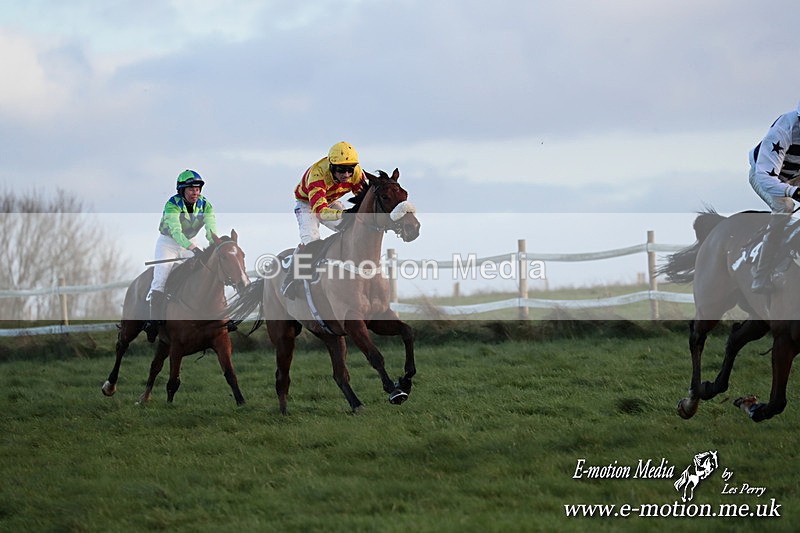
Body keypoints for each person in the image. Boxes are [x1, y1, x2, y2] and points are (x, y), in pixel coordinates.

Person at [280, 141, 366, 298]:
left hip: (331, 200)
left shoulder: (357, 173)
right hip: (308, 204)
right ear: (332, 166)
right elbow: (319, 211)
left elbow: (363, 199)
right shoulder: (318, 174)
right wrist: (343, 214)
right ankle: (290, 279)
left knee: (351, 227)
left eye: (350, 169)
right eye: (341, 170)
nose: (347, 174)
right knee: (312, 240)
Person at [144, 169, 218, 341]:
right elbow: (176, 232)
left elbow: (211, 229)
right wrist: (192, 247)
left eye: (198, 189)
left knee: (204, 272)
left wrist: (214, 244)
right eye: (191, 189)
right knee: (160, 278)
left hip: (191, 241)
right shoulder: (172, 205)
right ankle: (153, 323)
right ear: (182, 190)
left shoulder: (206, 205)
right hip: (168, 243)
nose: (195, 192)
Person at [749, 100, 800, 293]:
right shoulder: (783, 130)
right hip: (765, 176)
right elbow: (765, 177)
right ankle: (761, 275)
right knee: (785, 206)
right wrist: (792, 191)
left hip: (796, 177)